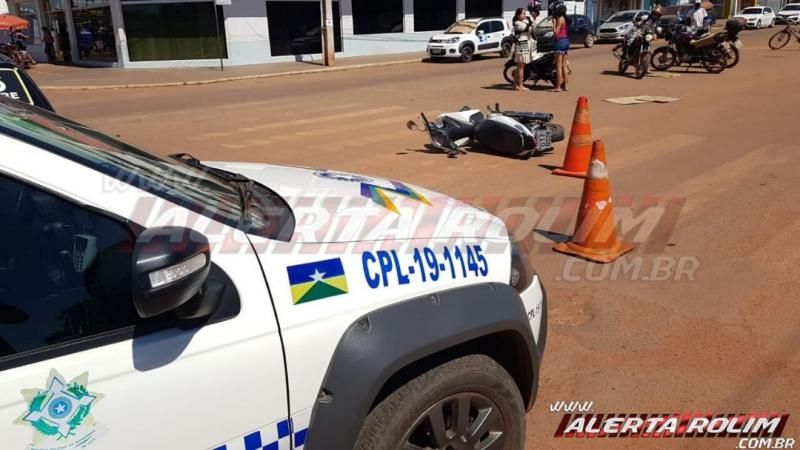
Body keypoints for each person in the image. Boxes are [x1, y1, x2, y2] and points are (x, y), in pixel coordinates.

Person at [512, 7, 535, 91]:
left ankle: (515, 85)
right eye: (523, 13)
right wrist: (531, 20)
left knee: (519, 66)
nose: (525, 15)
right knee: (521, 66)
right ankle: (520, 85)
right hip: (522, 43)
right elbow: (530, 29)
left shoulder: (522, 22)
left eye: (525, 13)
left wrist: (531, 19)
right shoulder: (518, 23)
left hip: (523, 43)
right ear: (518, 15)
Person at [551, 1, 570, 92]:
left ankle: (558, 87)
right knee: (564, 65)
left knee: (558, 66)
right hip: (566, 40)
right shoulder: (565, 18)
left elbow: (556, 33)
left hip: (560, 41)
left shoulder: (560, 19)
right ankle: (565, 86)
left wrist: (554, 24)